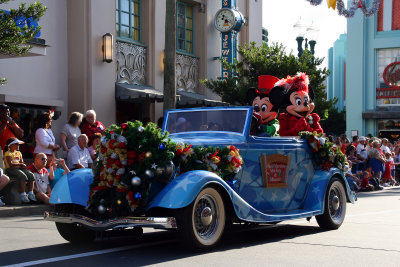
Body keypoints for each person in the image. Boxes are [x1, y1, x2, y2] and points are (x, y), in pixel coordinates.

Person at [4, 138, 36, 203]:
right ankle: (23, 194)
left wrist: (20, 165)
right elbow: (11, 165)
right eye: (16, 144)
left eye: (18, 144)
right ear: (11, 145)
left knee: (31, 175)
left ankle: (30, 193)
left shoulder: (19, 153)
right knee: (23, 176)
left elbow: (22, 163)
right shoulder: (8, 153)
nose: (18, 146)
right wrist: (20, 164)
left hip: (19, 168)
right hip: (11, 170)